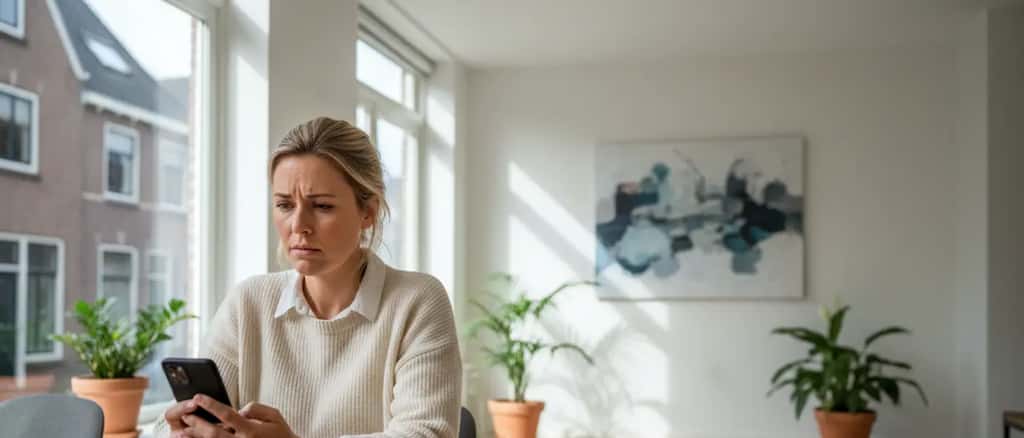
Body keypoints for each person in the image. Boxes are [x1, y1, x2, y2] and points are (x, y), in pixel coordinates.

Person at [156, 117, 462, 438]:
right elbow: (165, 426)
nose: (298, 224)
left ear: (368, 212)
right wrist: (181, 431)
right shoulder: (248, 302)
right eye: (285, 205)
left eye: (322, 206)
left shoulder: (417, 300)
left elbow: (426, 434)